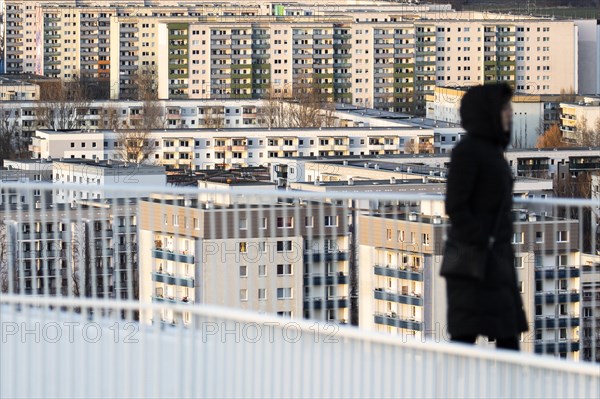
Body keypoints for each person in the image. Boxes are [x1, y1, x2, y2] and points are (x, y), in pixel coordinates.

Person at [443, 83, 528, 350]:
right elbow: (456, 206)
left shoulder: (493, 152)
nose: (510, 113)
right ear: (488, 112)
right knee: (465, 340)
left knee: (506, 335)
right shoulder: (468, 152)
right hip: (473, 262)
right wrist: (484, 240)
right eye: (505, 108)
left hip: (494, 259)